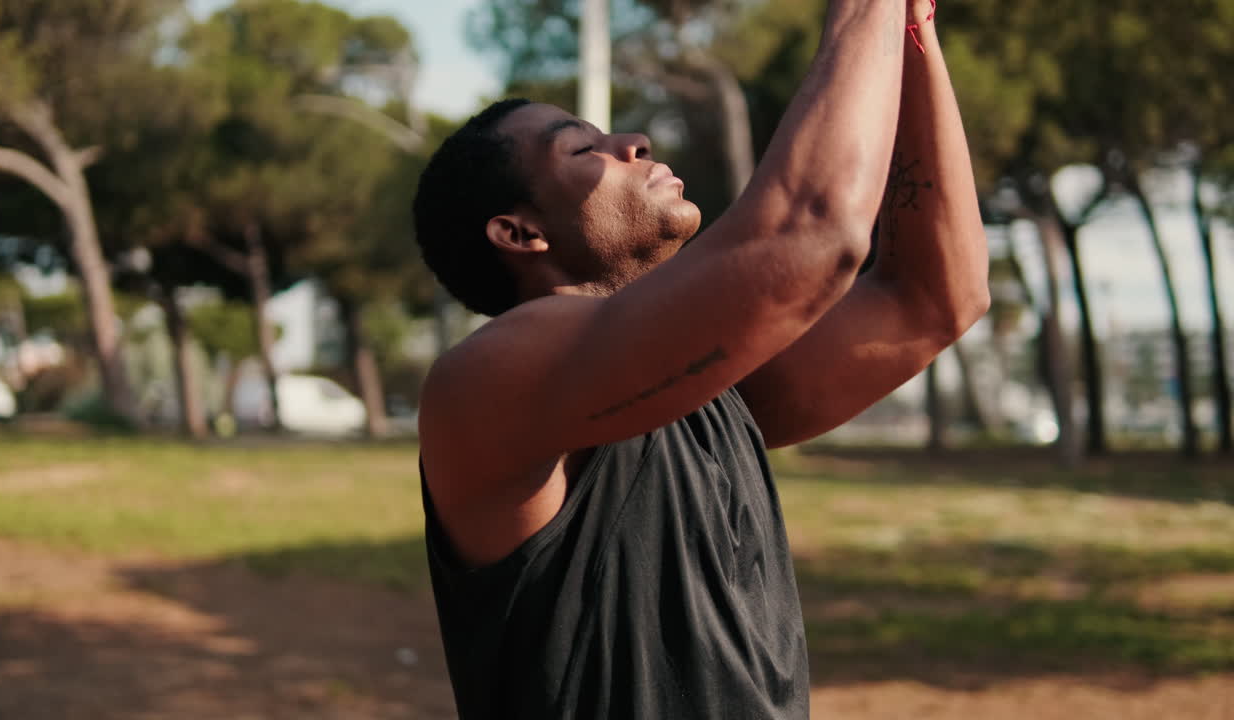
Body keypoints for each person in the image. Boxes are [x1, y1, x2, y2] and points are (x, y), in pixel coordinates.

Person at [412, 0, 988, 717]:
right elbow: (812, 235)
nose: (634, 141)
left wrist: (910, 28)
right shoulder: (486, 386)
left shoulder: (709, 384)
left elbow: (934, 299)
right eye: (581, 148)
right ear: (521, 233)